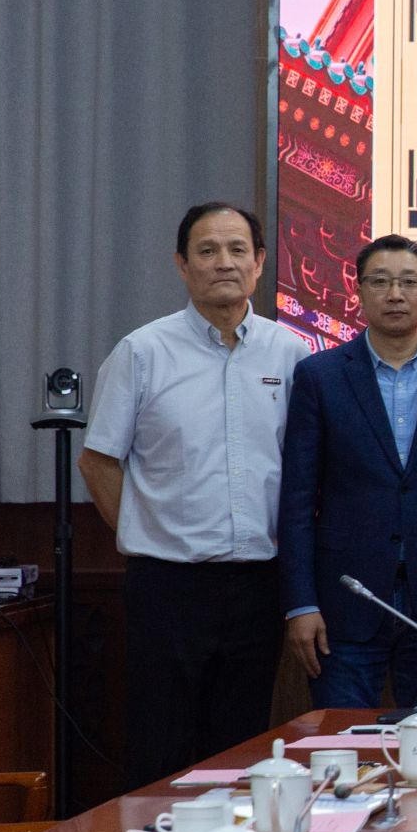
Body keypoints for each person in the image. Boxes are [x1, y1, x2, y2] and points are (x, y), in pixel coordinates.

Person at [79, 202, 311, 786]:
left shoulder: (291, 353)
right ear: (182, 265)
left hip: (258, 585)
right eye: (207, 251)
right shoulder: (142, 351)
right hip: (167, 585)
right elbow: (98, 460)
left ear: (260, 263)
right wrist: (146, 531)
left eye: (237, 250)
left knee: (238, 748)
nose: (223, 262)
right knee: (160, 747)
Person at [278, 235, 417, 710]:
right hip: (344, 601)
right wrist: (301, 602)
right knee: (341, 740)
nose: (395, 294)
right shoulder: (320, 375)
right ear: (358, 291)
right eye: (380, 282)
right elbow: (297, 499)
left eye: (409, 282)